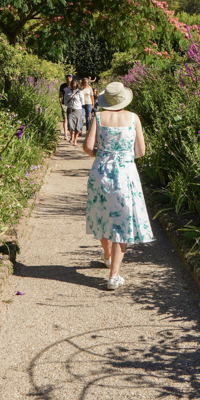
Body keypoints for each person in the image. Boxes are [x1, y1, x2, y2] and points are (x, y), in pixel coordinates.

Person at [83, 81, 153, 289]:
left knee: (103, 215)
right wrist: (122, 157)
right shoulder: (133, 118)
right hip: (124, 174)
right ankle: (114, 276)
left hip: (101, 172)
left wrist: (103, 155)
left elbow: (87, 147)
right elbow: (140, 151)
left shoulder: (98, 117)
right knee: (121, 222)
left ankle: (106, 254)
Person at [64, 78, 84, 145]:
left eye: (74, 84)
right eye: (72, 84)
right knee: (70, 125)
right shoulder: (67, 92)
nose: (73, 85)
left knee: (77, 126)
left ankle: (75, 140)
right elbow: (65, 101)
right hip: (70, 109)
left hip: (78, 109)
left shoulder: (80, 92)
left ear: (76, 84)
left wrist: (78, 105)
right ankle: (71, 136)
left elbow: (82, 102)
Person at [59, 73, 73, 141]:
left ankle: (71, 135)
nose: (68, 79)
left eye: (70, 77)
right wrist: (61, 103)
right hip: (64, 105)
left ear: (72, 78)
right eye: (67, 77)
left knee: (71, 120)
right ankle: (66, 135)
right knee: (65, 119)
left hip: (72, 105)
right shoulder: (63, 86)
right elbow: (60, 95)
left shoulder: (74, 86)